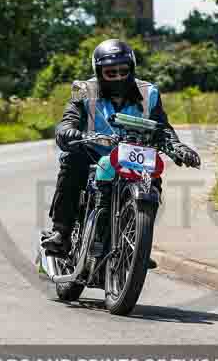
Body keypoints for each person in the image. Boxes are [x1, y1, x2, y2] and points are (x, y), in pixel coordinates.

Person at [41, 39, 201, 261]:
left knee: (152, 181)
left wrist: (177, 146)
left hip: (132, 157)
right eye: (110, 72)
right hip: (92, 153)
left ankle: (136, 242)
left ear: (132, 69)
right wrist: (68, 131)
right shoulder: (84, 90)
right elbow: (69, 119)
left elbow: (162, 127)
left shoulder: (149, 93)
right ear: (99, 72)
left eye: (123, 71)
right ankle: (61, 232)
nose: (117, 77)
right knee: (72, 161)